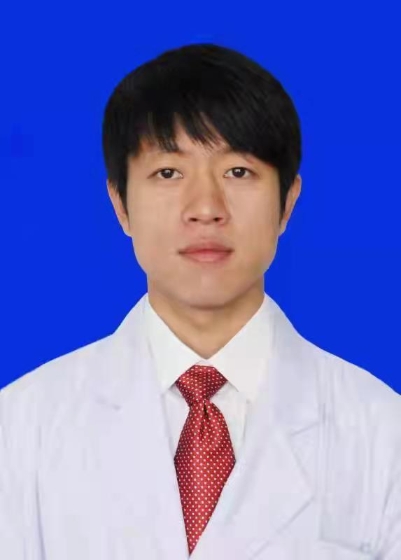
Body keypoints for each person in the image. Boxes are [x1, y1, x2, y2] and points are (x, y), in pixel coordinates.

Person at [0, 43, 400, 560]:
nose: (206, 208)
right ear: (120, 204)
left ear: (287, 202)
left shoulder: (382, 433)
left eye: (238, 172)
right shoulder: (21, 427)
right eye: (169, 173)